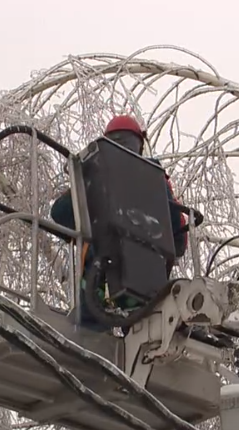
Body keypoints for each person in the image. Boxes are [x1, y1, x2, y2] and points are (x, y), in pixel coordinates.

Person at [49, 114, 188, 331]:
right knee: (142, 337)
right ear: (140, 144)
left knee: (88, 338)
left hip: (97, 282)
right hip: (147, 285)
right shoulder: (157, 178)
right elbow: (180, 237)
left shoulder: (93, 174)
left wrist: (82, 186)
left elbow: (59, 213)